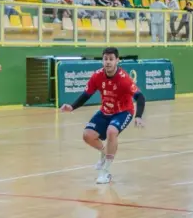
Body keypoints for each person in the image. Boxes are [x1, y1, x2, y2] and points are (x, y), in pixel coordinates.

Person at [60, 48, 146, 184]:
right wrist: (72, 106)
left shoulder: (124, 79)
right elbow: (86, 94)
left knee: (111, 131)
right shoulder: (97, 76)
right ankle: (104, 152)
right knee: (87, 135)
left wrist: (138, 116)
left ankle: (105, 172)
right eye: (105, 59)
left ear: (117, 60)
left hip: (123, 112)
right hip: (105, 111)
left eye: (111, 59)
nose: (108, 62)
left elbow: (140, 97)